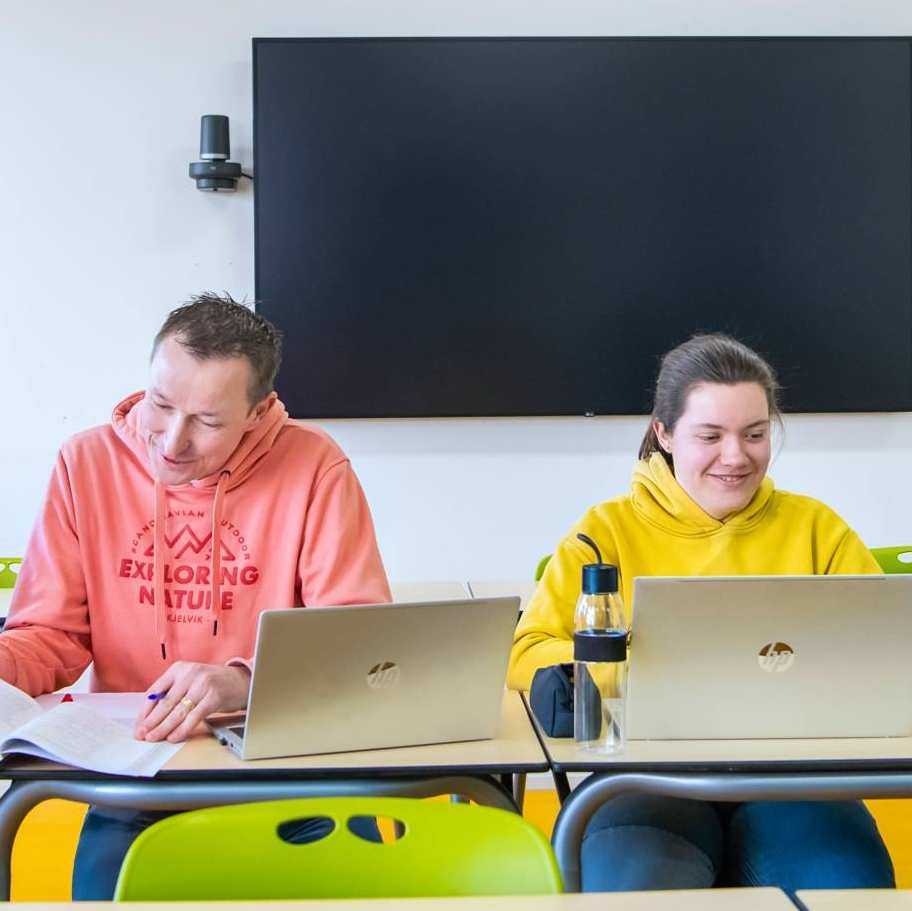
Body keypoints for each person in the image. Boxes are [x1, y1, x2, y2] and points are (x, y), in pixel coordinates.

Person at [0, 292, 391, 898]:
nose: (172, 442)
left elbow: (359, 644)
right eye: (161, 405)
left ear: (257, 412)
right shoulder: (86, 463)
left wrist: (243, 680)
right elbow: (49, 635)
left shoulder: (315, 467)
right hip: (137, 775)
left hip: (288, 769)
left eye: (208, 422)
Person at [508, 333, 894, 894]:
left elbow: (887, 644)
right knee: (635, 886)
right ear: (664, 434)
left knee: (846, 885)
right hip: (646, 780)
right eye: (710, 436)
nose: (736, 457)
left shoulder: (817, 529)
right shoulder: (605, 531)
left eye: (755, 435)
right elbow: (527, 653)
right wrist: (642, 664)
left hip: (797, 779)